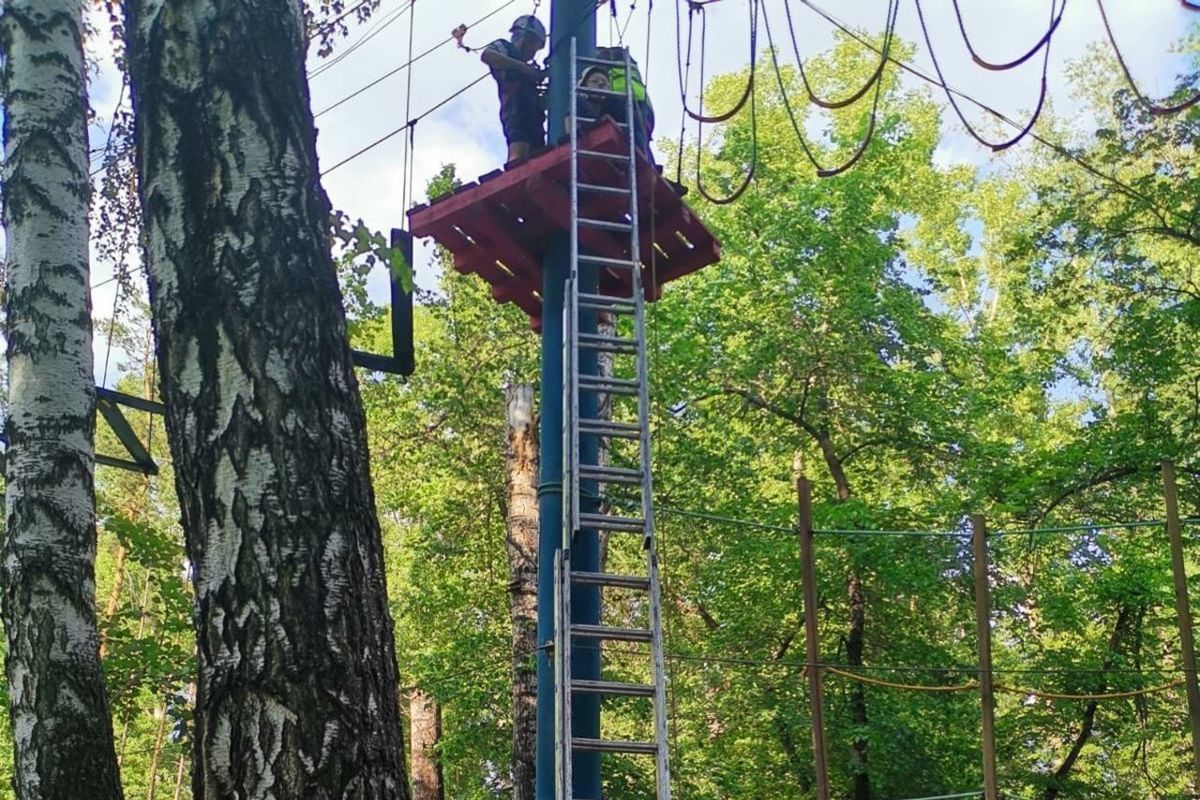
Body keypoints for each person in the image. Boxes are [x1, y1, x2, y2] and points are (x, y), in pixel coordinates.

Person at [481, 15, 548, 164]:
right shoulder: (504, 48)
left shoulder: (529, 68)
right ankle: (515, 168)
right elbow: (487, 55)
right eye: (532, 45)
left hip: (533, 117)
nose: (532, 52)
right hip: (515, 110)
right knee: (519, 144)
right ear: (521, 36)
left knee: (537, 152)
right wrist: (522, 67)